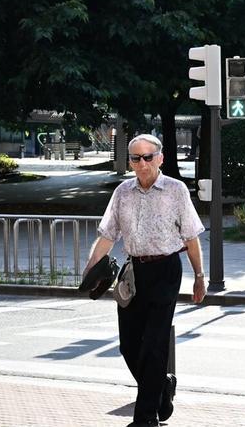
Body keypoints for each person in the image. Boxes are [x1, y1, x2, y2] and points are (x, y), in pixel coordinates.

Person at [83, 134, 205, 427]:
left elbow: (190, 236)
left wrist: (200, 277)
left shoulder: (176, 190)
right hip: (133, 273)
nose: (142, 164)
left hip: (166, 270)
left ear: (160, 158)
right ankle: (162, 386)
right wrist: (89, 270)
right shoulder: (123, 192)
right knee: (129, 346)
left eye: (148, 157)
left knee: (154, 344)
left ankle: (145, 417)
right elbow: (107, 236)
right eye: (136, 158)